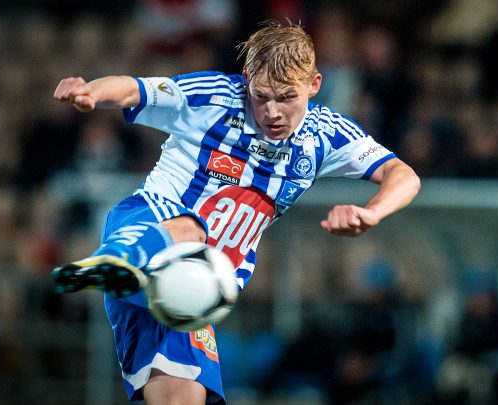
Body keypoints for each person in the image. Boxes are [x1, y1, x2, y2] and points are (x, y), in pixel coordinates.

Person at [50, 20, 420, 405]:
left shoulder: (325, 135)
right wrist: (92, 91)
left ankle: (130, 274)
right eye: (261, 96)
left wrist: (373, 213)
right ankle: (118, 263)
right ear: (246, 80)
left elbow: (403, 175)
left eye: (286, 97)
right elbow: (134, 88)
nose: (273, 111)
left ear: (314, 85)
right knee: (192, 230)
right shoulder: (215, 96)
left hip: (196, 290)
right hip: (147, 222)